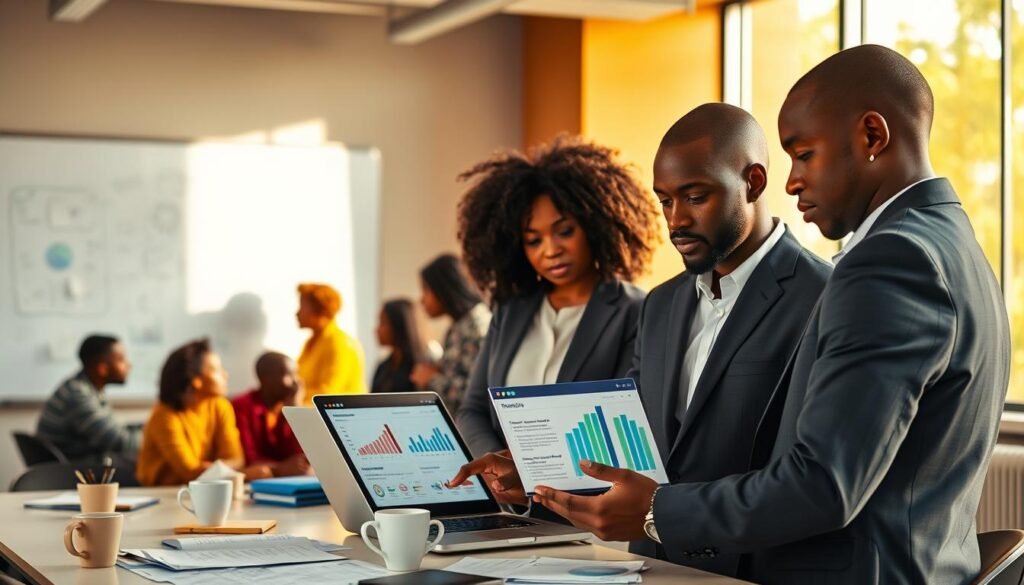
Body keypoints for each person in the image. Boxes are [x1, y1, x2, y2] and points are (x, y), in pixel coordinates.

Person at [523, 45, 1010, 584]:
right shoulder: (949, 241)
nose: (793, 180)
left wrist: (657, 512)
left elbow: (823, 484)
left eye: (804, 154)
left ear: (872, 137)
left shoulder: (889, 261)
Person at [449, 104, 832, 578]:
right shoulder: (663, 303)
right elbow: (632, 432)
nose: (676, 221)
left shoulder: (825, 295)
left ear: (753, 182)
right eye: (665, 202)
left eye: (694, 197)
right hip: (649, 563)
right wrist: (527, 469)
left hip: (758, 570)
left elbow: (813, 478)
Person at [455, 135, 661, 457]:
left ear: (595, 225)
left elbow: (624, 419)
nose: (551, 251)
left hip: (585, 501)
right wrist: (496, 464)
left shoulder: (634, 311)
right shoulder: (510, 312)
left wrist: (529, 468)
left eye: (564, 232)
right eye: (533, 241)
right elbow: (472, 410)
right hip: (509, 504)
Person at [136, 339, 245, 486]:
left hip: (205, 490)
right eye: (217, 370)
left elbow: (237, 459)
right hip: (162, 495)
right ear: (196, 381)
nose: (225, 375)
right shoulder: (164, 415)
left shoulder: (221, 406)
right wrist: (242, 473)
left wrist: (212, 470)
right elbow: (189, 472)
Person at [36, 335, 140, 462]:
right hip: (74, 472)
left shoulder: (87, 389)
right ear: (102, 368)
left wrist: (148, 428)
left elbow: (113, 430)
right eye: (121, 360)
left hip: (79, 464)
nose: (128, 365)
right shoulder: (77, 395)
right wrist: (158, 437)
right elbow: (118, 442)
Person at [409, 254, 491, 413]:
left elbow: (478, 392)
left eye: (426, 290)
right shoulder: (459, 326)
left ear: (444, 288)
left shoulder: (477, 327)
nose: (422, 300)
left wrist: (431, 379)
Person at [231, 352, 310, 478]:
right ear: (265, 378)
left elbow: (302, 455)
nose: (296, 382)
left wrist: (295, 410)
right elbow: (248, 459)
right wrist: (279, 468)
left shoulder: (287, 407)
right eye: (288, 375)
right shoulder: (242, 406)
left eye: (296, 374)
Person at [296, 283, 366, 405]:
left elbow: (327, 394)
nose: (297, 313)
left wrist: (291, 405)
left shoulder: (339, 342)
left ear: (319, 310)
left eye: (302, 306)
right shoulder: (311, 342)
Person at [371, 299, 431, 393]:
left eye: (383, 323)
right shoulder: (383, 367)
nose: (376, 330)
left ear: (399, 326)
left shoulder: (422, 369)